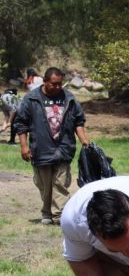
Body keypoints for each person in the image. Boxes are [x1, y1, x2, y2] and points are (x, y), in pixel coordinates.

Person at [14, 67, 89, 225]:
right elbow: (21, 124)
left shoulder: (68, 97)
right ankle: (47, 211)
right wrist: (23, 146)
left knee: (61, 183)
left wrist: (84, 141)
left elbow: (78, 121)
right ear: (45, 81)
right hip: (40, 148)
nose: (57, 87)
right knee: (44, 184)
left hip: (63, 147)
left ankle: (59, 215)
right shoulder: (31, 98)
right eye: (54, 84)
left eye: (60, 84)